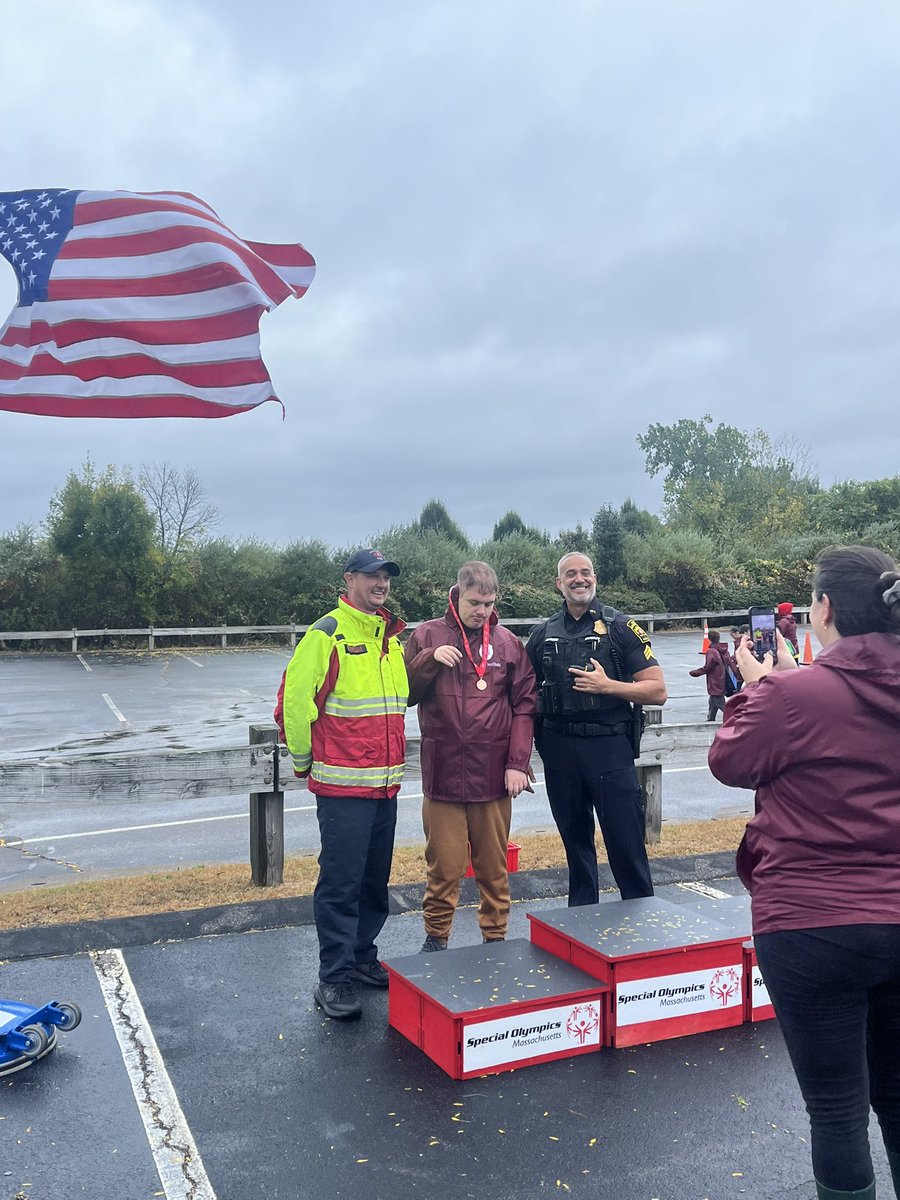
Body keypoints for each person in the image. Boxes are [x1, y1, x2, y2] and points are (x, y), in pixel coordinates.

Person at [708, 546, 900, 1200]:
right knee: (899, 1099)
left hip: (812, 922)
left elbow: (729, 762)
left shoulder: (791, 695)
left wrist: (764, 683)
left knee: (837, 1108)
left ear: (822, 608)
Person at [276, 549, 408, 1021]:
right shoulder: (326, 633)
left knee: (375, 881)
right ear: (349, 579)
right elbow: (295, 702)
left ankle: (361, 957)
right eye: (372, 575)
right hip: (342, 788)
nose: (381, 583)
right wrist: (303, 762)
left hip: (385, 787)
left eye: (386, 576)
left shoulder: (389, 639)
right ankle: (334, 977)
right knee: (340, 883)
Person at [404, 562, 536, 950]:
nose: (483, 611)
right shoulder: (427, 634)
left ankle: (495, 936)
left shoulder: (508, 643)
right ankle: (436, 937)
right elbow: (405, 694)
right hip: (443, 774)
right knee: (443, 867)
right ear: (457, 594)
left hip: (493, 776)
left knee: (493, 868)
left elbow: (525, 706)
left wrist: (517, 764)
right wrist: (428, 659)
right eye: (476, 603)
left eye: (490, 603)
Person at [526, 552, 667, 906]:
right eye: (570, 574)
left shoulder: (620, 627)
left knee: (627, 846)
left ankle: (642, 921)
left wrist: (609, 687)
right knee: (576, 849)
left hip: (609, 750)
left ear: (595, 578)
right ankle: (580, 928)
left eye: (585, 572)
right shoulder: (543, 634)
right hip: (559, 753)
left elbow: (657, 690)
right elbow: (524, 696)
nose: (579, 579)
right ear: (559, 584)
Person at [690, 629, 732, 720]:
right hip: (723, 678)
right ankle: (710, 718)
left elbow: (708, 667)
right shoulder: (723, 650)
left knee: (720, 702)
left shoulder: (712, 651)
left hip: (715, 680)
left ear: (709, 638)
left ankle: (733, 718)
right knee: (712, 701)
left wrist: (696, 672)